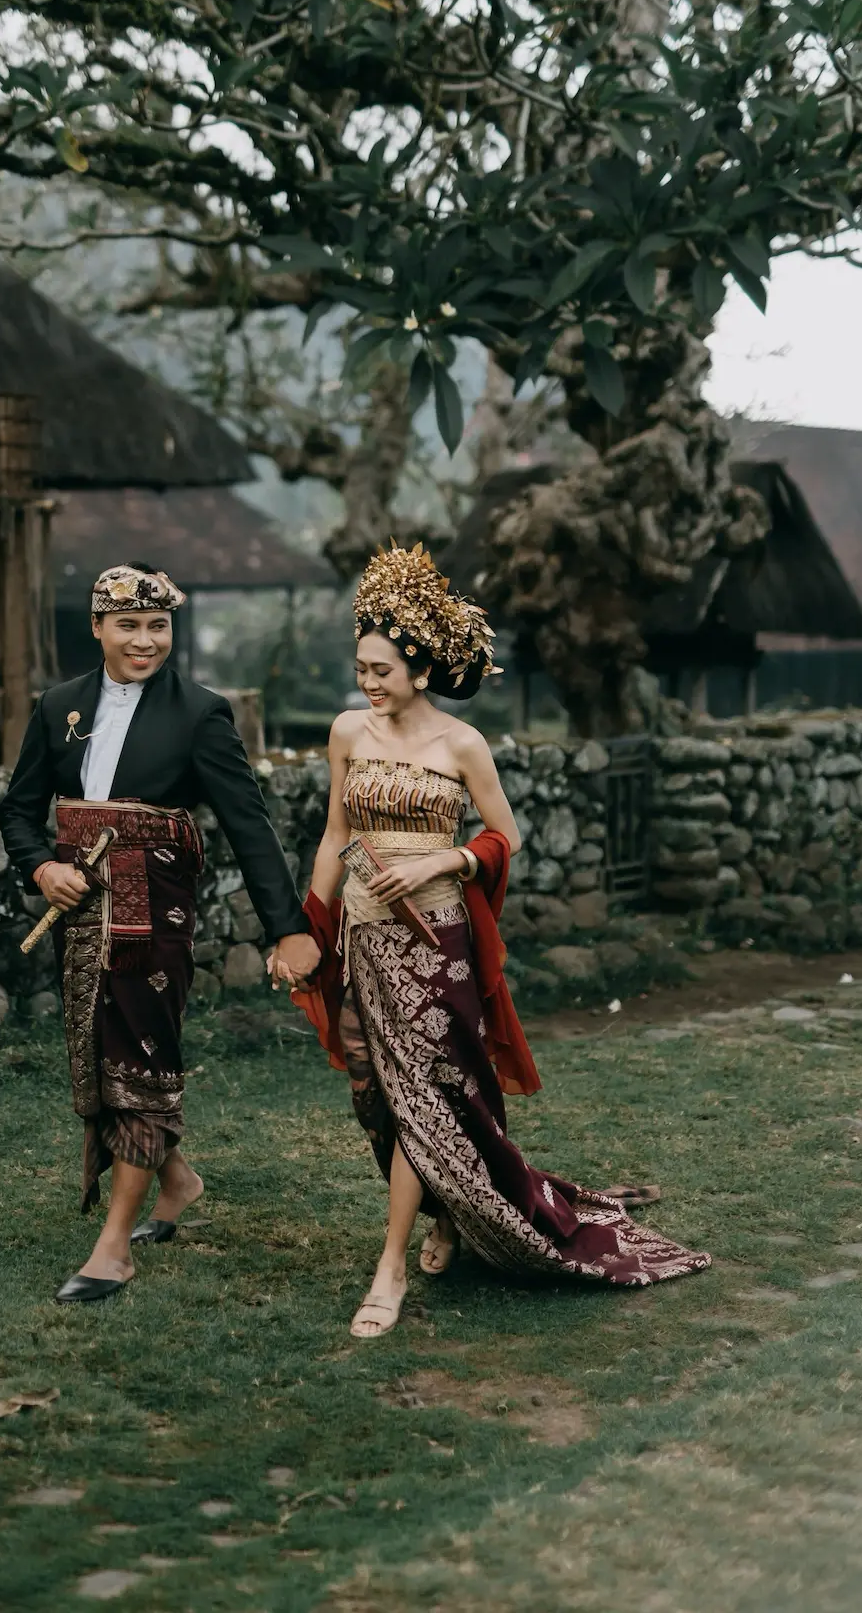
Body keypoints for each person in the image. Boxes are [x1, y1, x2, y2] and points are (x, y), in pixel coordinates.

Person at [277, 543, 710, 1339]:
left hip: (436, 944)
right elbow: (336, 833)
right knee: (376, 1099)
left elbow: (504, 834)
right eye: (361, 669)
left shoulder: (461, 745)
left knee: (429, 1097)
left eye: (382, 670)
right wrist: (311, 926)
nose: (368, 683)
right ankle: (449, 1212)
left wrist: (443, 859)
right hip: (366, 943)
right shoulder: (347, 732)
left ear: (421, 670)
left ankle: (391, 1266)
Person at [0, 562, 320, 1304]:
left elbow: (250, 825)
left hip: (156, 918)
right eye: (128, 626)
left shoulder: (201, 713)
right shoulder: (58, 707)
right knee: (96, 1055)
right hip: (80, 914)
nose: (145, 641)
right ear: (96, 628)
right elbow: (18, 810)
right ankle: (176, 1181)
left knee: (141, 1057)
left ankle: (113, 1249)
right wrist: (43, 869)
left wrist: (288, 930)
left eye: (158, 626)